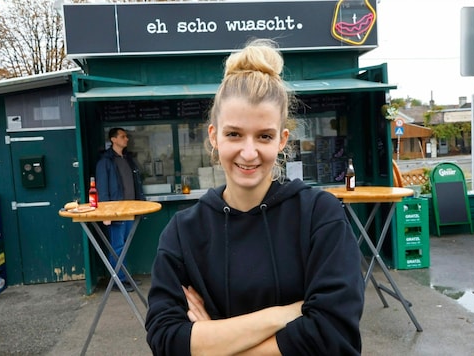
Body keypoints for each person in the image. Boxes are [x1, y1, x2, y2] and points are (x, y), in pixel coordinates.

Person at [145, 39, 365, 355]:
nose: (249, 153)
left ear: (282, 140)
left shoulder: (320, 216)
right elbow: (166, 341)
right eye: (234, 134)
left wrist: (210, 341)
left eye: (264, 136)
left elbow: (333, 335)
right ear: (214, 136)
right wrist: (285, 314)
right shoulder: (183, 232)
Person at [95, 127, 144, 292]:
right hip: (116, 211)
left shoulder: (128, 159)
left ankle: (125, 278)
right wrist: (106, 213)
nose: (127, 139)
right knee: (117, 247)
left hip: (130, 209)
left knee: (124, 246)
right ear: (113, 139)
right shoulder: (105, 161)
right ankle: (119, 281)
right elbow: (102, 189)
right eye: (123, 137)